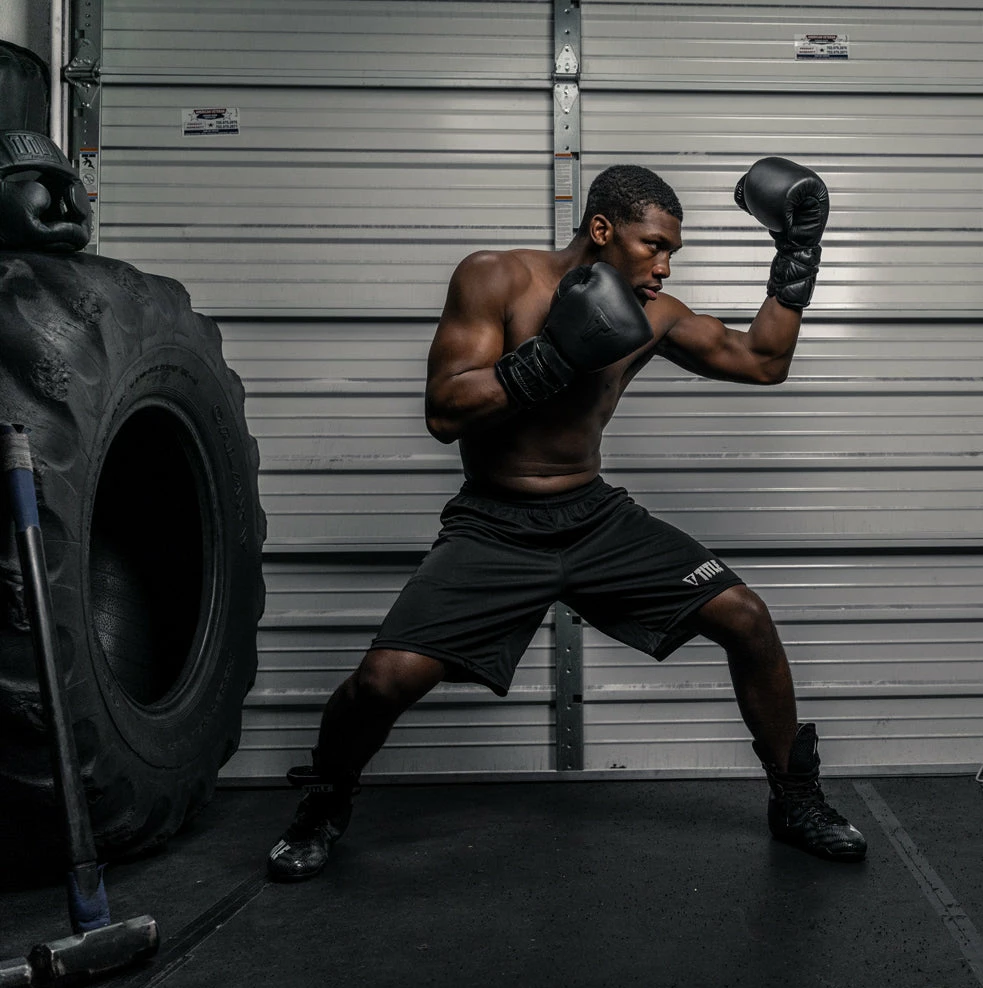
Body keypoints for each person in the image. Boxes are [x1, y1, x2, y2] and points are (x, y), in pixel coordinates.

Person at [266, 158, 868, 882]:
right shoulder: (496, 278)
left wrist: (797, 256)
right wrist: (552, 355)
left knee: (745, 616)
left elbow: (762, 361)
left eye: (674, 252)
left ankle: (796, 798)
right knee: (382, 681)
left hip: (594, 517)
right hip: (495, 524)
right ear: (603, 228)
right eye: (654, 246)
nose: (666, 267)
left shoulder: (654, 316)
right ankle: (325, 802)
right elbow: (443, 413)